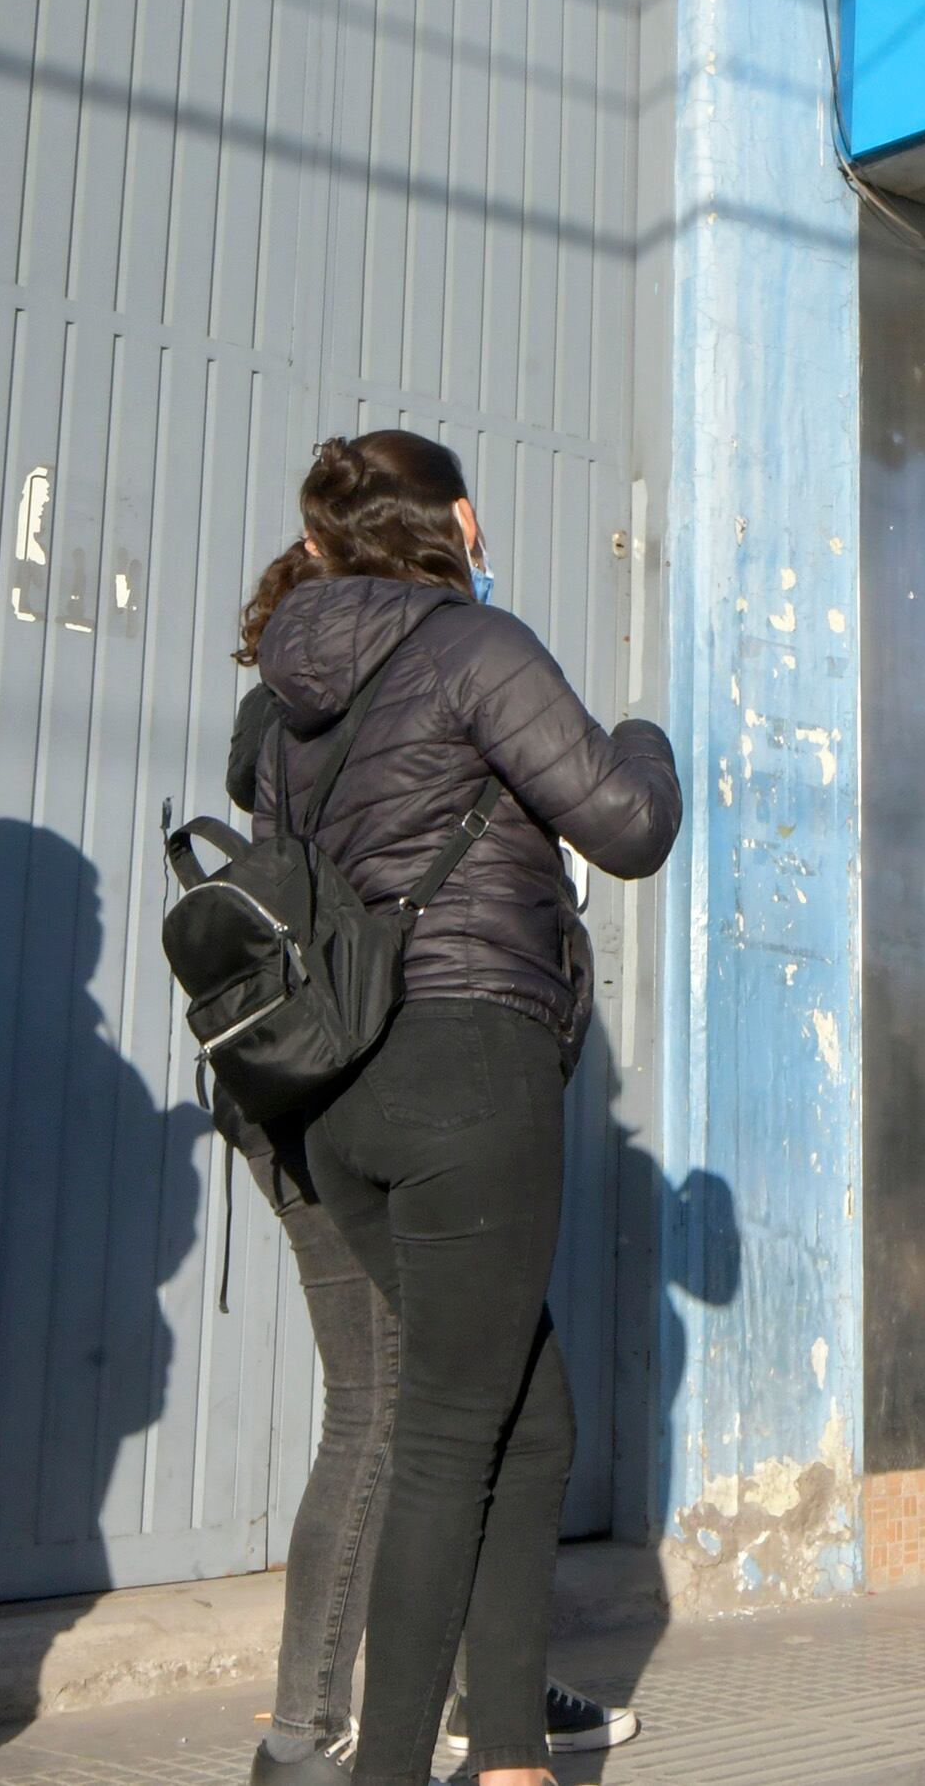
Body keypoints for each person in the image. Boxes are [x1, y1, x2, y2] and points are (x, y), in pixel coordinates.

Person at [241, 431, 682, 1786]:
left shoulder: (277, 699)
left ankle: (506, 1755)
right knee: (441, 1431)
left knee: (526, 1418)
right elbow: (625, 822)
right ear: (464, 520)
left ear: (318, 548)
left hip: (338, 1095)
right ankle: (390, 1765)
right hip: (466, 1064)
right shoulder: (473, 649)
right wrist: (647, 738)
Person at [219, 699, 639, 1786]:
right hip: (379, 1082)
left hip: (317, 1081)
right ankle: (315, 1733)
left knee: (505, 1412)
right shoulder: (372, 704)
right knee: (397, 1413)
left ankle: (492, 1716)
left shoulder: (294, 729)